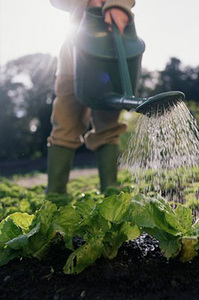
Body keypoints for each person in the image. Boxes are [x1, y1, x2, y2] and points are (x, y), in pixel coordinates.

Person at [47, 0, 135, 194]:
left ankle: (110, 190)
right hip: (74, 52)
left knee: (108, 122)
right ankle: (55, 194)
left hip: (111, 49)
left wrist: (117, 5)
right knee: (66, 120)